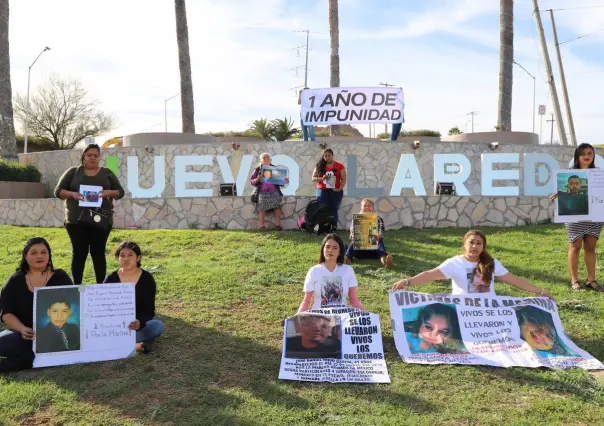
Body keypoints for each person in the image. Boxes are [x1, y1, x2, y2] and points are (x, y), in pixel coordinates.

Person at [392, 230, 553, 299]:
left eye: (479, 243)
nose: (474, 246)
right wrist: (407, 282)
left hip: (489, 312)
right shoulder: (454, 263)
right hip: (463, 313)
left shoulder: (490, 263)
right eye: (471, 242)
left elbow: (515, 280)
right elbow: (430, 274)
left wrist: (541, 291)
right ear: (464, 244)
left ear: (483, 247)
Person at [54, 143, 125, 284]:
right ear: (83, 156)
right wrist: (73, 194)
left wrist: (108, 193)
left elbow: (120, 192)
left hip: (101, 220)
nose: (92, 158)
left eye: (96, 156)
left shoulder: (107, 173)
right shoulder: (73, 172)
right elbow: (58, 191)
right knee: (79, 253)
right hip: (76, 221)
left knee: (98, 253)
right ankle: (77, 286)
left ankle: (100, 287)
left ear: (99, 157)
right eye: (89, 155)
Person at [0, 238, 74, 372]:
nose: (39, 256)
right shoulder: (15, 280)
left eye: (43, 252)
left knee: (29, 356)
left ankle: (28, 360)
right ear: (25, 256)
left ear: (49, 255)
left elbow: (74, 304)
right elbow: (6, 313)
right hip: (23, 335)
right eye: (33, 252)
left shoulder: (61, 277)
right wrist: (22, 329)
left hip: (55, 336)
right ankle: (33, 358)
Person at [549, 143, 603, 291]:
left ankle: (591, 280)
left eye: (590, 153)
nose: (587, 156)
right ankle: (574, 280)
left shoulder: (599, 174)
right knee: (575, 245)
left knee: (591, 248)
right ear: (578, 156)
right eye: (584, 153)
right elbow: (564, 191)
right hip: (574, 216)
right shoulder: (568, 174)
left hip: (595, 217)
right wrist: (557, 195)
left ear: (593, 156)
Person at [103, 242, 164, 354]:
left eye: (130, 255)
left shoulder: (147, 279)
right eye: (122, 255)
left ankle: (118, 343)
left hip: (136, 326)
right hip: (113, 327)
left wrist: (139, 321)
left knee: (157, 326)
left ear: (138, 258)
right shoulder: (111, 278)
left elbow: (149, 309)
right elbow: (103, 307)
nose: (126, 259)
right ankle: (132, 344)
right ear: (117, 258)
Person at [298, 234, 365, 312]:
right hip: (319, 318)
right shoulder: (313, 271)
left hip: (342, 318)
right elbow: (306, 301)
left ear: (339, 252)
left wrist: (368, 316)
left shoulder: (348, 270)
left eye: (335, 248)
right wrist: (295, 318)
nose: (330, 250)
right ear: (323, 250)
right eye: (327, 247)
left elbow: (354, 300)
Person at [344, 198, 393, 268]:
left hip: (374, 251)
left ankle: (384, 260)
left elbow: (380, 232)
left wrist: (377, 236)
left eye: (369, 205)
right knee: (354, 240)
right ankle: (347, 259)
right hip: (359, 252)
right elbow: (352, 232)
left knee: (379, 240)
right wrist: (353, 236)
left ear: (373, 208)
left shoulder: (378, 219)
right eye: (365, 206)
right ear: (361, 207)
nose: (367, 207)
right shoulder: (356, 219)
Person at [250, 153, 289, 231]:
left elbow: (280, 182)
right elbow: (252, 181)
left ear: (270, 159)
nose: (266, 158)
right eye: (264, 157)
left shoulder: (275, 168)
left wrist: (284, 181)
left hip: (274, 191)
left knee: (277, 205)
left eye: (267, 157)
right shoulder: (258, 169)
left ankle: (278, 225)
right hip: (262, 191)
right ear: (261, 160)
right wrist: (257, 179)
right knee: (262, 204)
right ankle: (262, 226)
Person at [36, 289, 81, 353]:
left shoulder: (74, 328)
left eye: (64, 311)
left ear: (69, 312)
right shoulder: (41, 334)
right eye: (55, 311)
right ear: (48, 312)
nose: (59, 316)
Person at [312, 149, 346, 231]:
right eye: (325, 156)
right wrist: (322, 178)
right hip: (322, 191)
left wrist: (339, 189)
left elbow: (343, 179)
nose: (327, 157)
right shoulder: (319, 166)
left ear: (332, 155)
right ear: (323, 157)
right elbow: (313, 179)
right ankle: (322, 226)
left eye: (329, 155)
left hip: (335, 191)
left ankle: (333, 226)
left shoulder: (340, 166)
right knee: (321, 208)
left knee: (334, 208)